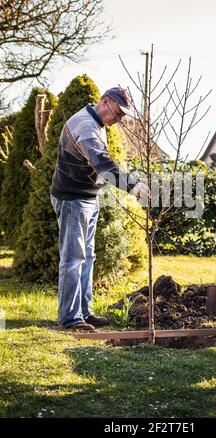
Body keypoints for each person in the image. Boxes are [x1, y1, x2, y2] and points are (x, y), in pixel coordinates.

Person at [50, 87, 150, 331]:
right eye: (117, 113)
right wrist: (133, 186)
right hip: (73, 199)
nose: (119, 120)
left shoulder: (96, 124)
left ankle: (84, 312)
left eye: (123, 116)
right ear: (105, 102)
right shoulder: (85, 126)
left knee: (87, 258)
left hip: (86, 197)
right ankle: (70, 318)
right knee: (74, 259)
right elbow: (104, 165)